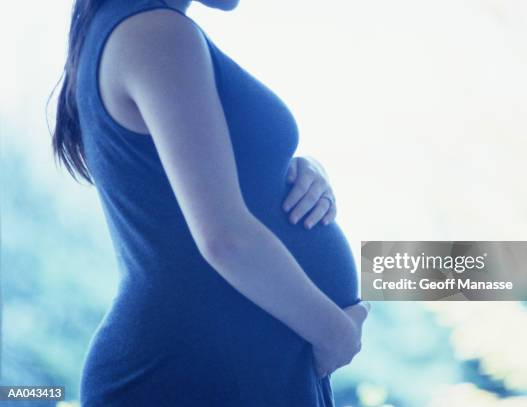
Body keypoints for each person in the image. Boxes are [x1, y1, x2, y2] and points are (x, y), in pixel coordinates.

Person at [50, 0, 370, 405]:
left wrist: (301, 169)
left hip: (232, 361)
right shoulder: (155, 34)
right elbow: (225, 239)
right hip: (192, 371)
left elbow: (212, 181)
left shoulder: (140, 30)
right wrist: (337, 334)